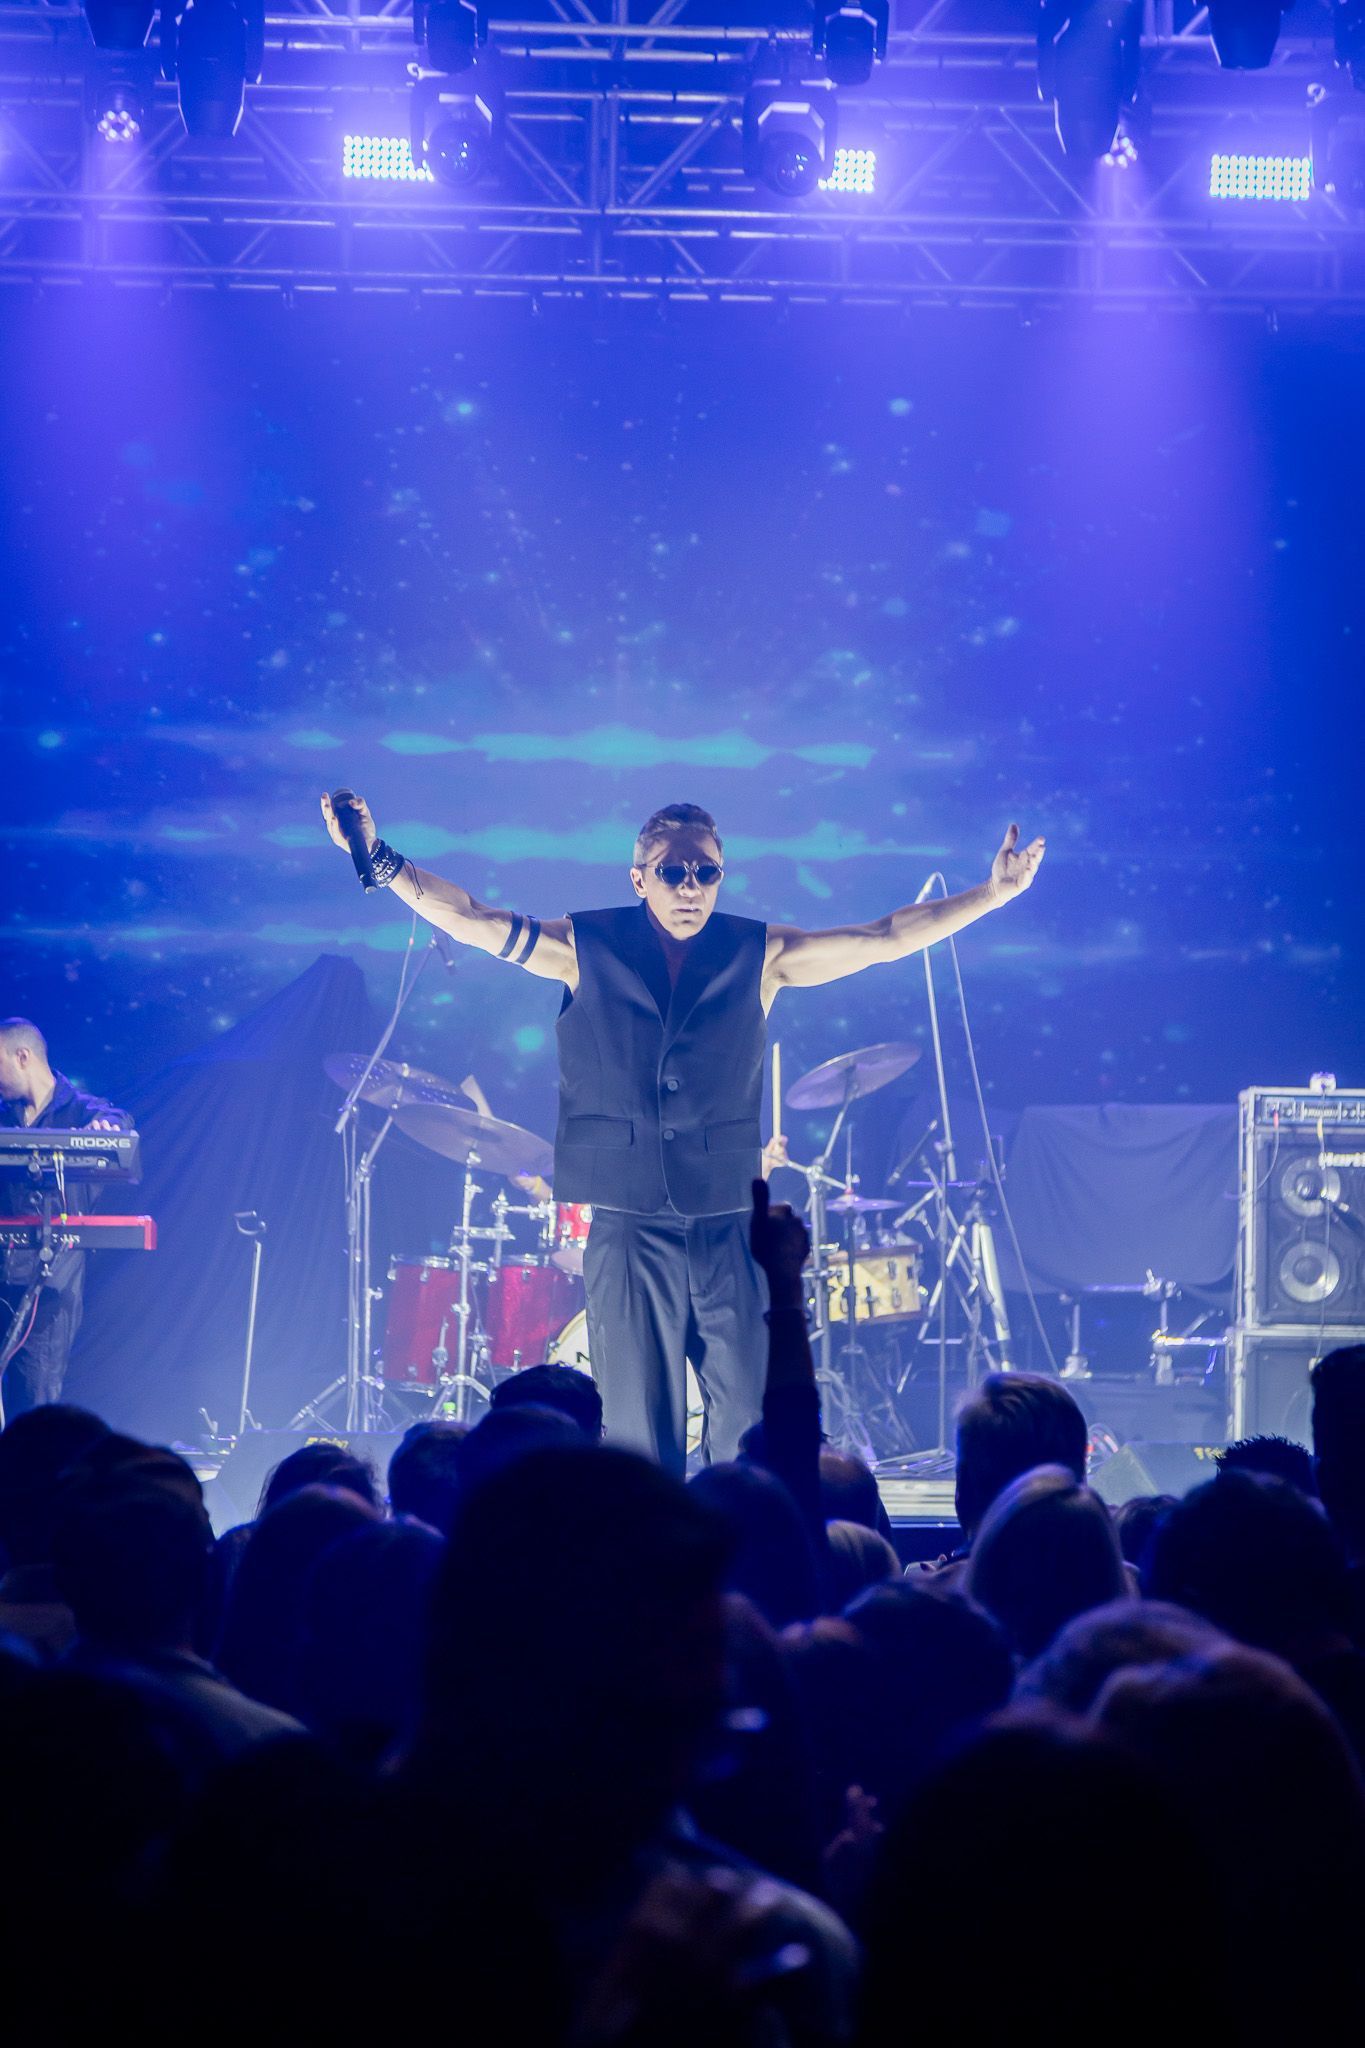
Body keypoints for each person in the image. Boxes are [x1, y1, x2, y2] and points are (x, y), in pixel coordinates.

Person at [322, 792, 1044, 1475]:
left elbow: (882, 938)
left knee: (749, 1425)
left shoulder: (759, 953)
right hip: (627, 1218)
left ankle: (751, 1567)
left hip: (728, 1218)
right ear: (640, 877)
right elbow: (474, 919)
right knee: (640, 1429)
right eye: (674, 871)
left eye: (706, 872)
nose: (691, 885)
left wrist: (992, 895)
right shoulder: (585, 946)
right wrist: (380, 859)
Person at [0, 1019, 132, 1414]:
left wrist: (106, 1129)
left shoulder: (82, 1110)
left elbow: (118, 1125)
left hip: (50, 1282)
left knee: (32, 1400)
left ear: (22, 1057)